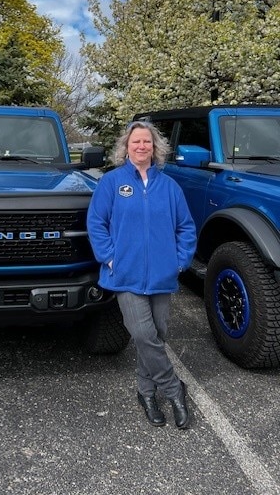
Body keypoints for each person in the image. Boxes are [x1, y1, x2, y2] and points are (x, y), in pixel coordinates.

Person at [87, 120, 197, 429]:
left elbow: (186, 227)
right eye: (135, 142)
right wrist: (109, 258)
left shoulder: (169, 186)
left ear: (155, 147)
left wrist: (179, 261)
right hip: (125, 274)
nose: (141, 146)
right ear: (126, 147)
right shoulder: (112, 183)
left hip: (162, 275)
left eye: (146, 142)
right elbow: (97, 222)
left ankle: (146, 392)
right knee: (143, 334)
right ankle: (175, 390)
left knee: (157, 335)